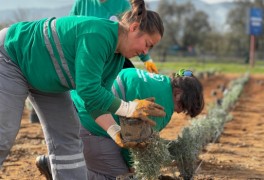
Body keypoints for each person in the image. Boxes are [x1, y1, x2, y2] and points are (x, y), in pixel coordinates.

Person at [0, 0, 165, 179]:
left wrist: (115, 131)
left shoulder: (116, 59)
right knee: (4, 131)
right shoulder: (98, 34)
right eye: (147, 44)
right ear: (133, 28)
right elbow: (89, 91)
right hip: (13, 56)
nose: (144, 52)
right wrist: (130, 108)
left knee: (67, 134)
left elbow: (95, 101)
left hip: (46, 76)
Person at [36, 68, 205, 179]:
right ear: (179, 93)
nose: (177, 111)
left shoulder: (158, 80)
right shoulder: (164, 106)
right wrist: (134, 169)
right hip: (86, 122)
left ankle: (62, 164)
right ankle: (59, 170)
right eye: (182, 107)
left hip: (71, 104)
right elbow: (135, 143)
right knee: (119, 176)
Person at [28, 0, 159, 124]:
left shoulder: (121, 3)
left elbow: (136, 34)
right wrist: (127, 108)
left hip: (113, 52)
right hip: (85, 49)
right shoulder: (83, 3)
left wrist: (146, 59)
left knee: (119, 77)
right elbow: (73, 20)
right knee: (83, 82)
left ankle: (120, 113)